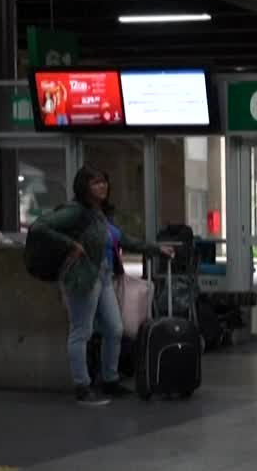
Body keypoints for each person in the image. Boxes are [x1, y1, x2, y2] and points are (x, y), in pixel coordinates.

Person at [28, 167, 172, 406]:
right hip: (83, 276)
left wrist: (157, 249)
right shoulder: (75, 212)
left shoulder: (101, 214)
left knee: (114, 328)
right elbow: (39, 228)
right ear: (84, 187)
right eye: (95, 183)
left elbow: (122, 240)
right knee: (81, 331)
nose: (102, 187)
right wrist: (71, 244)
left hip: (104, 275)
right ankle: (82, 387)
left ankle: (110, 379)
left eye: (104, 182)